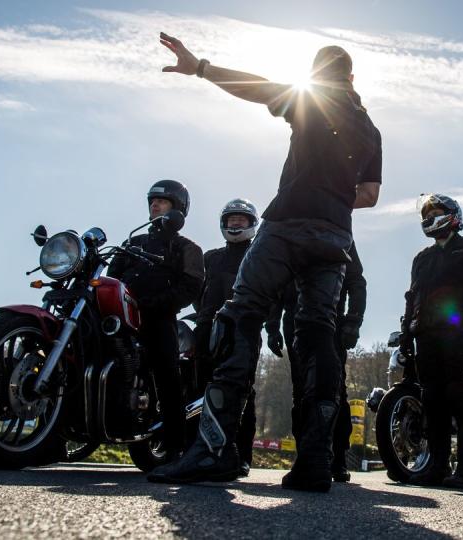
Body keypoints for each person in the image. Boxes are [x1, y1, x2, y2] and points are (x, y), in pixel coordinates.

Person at [148, 33, 382, 492]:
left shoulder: (313, 99)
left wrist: (201, 67)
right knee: (318, 335)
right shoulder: (370, 129)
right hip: (335, 237)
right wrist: (331, 203)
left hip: (287, 225)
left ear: (318, 74)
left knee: (238, 318)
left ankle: (214, 450)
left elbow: (256, 87)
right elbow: (370, 196)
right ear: (353, 77)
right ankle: (316, 463)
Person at [399, 194, 463, 489]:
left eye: (437, 212)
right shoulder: (421, 258)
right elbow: (412, 297)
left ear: (453, 215)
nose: (430, 217)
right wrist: (406, 332)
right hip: (426, 340)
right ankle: (437, 467)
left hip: (461, 338)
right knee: (434, 401)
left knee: (460, 397)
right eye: (427, 213)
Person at [107, 179, 205, 458]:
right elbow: (112, 277)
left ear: (178, 209)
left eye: (162, 201)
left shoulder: (186, 247)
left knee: (166, 373)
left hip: (158, 318)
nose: (154, 205)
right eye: (152, 201)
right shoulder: (132, 243)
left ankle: (174, 448)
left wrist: (155, 304)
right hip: (124, 318)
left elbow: (191, 286)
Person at [266, 242, 366, 482]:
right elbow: (276, 286)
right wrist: (271, 327)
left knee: (334, 387)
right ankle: (305, 454)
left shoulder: (341, 236)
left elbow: (357, 282)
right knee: (300, 389)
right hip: (293, 320)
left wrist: (353, 320)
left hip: (330, 318)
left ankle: (337, 458)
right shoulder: (290, 236)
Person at [191, 198, 260, 477]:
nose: (235, 223)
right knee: (200, 387)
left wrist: (273, 324)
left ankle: (241, 455)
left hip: (243, 328)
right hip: (206, 327)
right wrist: (204, 320)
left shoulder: (258, 255)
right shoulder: (211, 257)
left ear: (251, 224)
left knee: (243, 393)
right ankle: (201, 449)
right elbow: (199, 291)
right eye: (231, 219)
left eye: (241, 220)